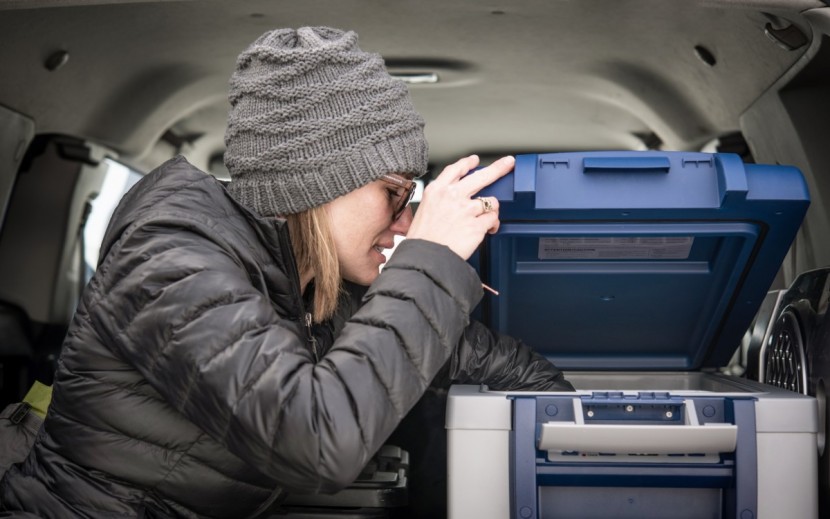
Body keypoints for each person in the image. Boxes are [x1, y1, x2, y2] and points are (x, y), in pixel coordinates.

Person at [0, 26, 572, 518]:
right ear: (320, 186)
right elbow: (315, 440)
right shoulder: (169, 256)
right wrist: (432, 262)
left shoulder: (314, 283)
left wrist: (577, 442)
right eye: (395, 194)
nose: (405, 224)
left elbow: (487, 360)